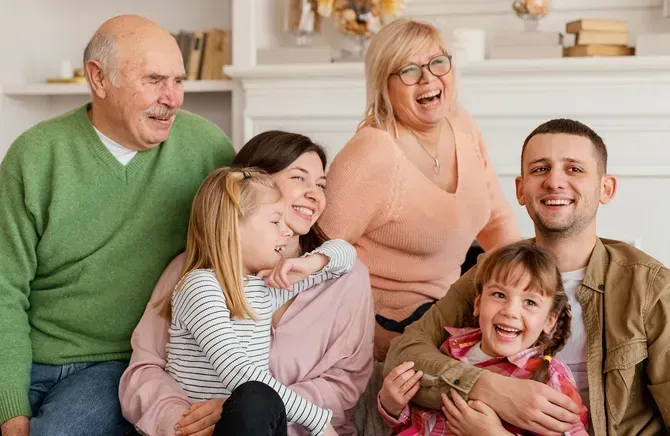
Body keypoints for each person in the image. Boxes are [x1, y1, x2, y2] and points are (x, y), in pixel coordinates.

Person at [0, 14, 235, 436]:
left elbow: (258, 247)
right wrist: (11, 409)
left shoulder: (208, 149)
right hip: (27, 352)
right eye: (154, 79)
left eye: (179, 80)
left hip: (118, 364)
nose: (173, 97)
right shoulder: (35, 155)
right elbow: (3, 287)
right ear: (99, 78)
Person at [385, 119, 670, 436]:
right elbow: (405, 353)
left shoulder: (651, 287)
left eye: (574, 169)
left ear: (606, 188)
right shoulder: (493, 270)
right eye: (540, 170)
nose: (554, 182)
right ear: (521, 190)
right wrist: (490, 388)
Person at [119, 131, 375, 436]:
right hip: (200, 429)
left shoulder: (317, 278)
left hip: (284, 427)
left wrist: (313, 263)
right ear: (252, 185)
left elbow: (343, 386)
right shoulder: (193, 275)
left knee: (254, 401)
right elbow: (145, 370)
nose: (315, 194)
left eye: (321, 184)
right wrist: (185, 419)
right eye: (299, 178)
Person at [318, 18, 521, 365]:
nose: (428, 78)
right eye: (409, 70)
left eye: (437, 62)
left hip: (447, 306)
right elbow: (316, 257)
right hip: (390, 319)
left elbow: (495, 218)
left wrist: (530, 280)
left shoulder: (462, 125)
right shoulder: (371, 153)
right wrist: (369, 333)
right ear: (385, 85)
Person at [162, 166, 356, 436]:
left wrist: (311, 262)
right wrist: (318, 420)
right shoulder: (200, 286)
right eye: (275, 221)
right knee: (256, 395)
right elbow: (237, 371)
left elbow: (346, 257)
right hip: (209, 428)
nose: (287, 231)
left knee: (259, 400)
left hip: (255, 423)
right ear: (233, 227)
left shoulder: (265, 287)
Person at [378, 241, 589, 436]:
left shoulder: (550, 378)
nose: (510, 311)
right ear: (478, 303)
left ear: (549, 321)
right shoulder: (449, 350)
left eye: (530, 303)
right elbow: (418, 423)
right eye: (499, 295)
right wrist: (393, 406)